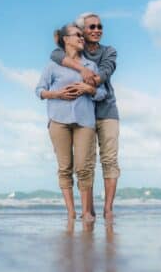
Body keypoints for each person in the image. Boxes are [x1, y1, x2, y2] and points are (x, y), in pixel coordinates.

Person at [50, 13, 120, 220]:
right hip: (84, 116)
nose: (97, 30)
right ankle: (88, 210)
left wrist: (88, 84)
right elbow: (55, 54)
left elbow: (105, 73)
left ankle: (108, 209)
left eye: (100, 26)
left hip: (107, 111)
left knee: (109, 159)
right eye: (91, 27)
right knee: (85, 164)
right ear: (82, 31)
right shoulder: (75, 52)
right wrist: (81, 67)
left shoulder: (109, 51)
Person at [36, 23, 106, 221]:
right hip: (58, 121)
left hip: (85, 121)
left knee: (84, 167)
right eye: (77, 35)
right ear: (65, 39)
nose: (82, 38)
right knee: (65, 167)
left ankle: (86, 213)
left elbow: (102, 93)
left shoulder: (91, 67)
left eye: (82, 36)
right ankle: (71, 212)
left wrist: (89, 90)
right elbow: (39, 91)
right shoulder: (52, 66)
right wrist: (57, 93)